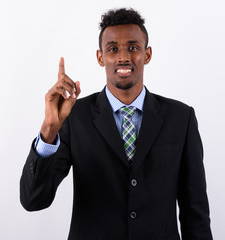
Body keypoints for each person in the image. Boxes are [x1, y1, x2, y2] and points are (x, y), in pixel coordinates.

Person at [20, 8, 212, 240]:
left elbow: (196, 214)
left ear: (147, 54)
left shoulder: (181, 118)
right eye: (113, 49)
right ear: (101, 57)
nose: (123, 57)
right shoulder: (74, 117)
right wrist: (49, 129)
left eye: (133, 47)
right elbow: (33, 200)